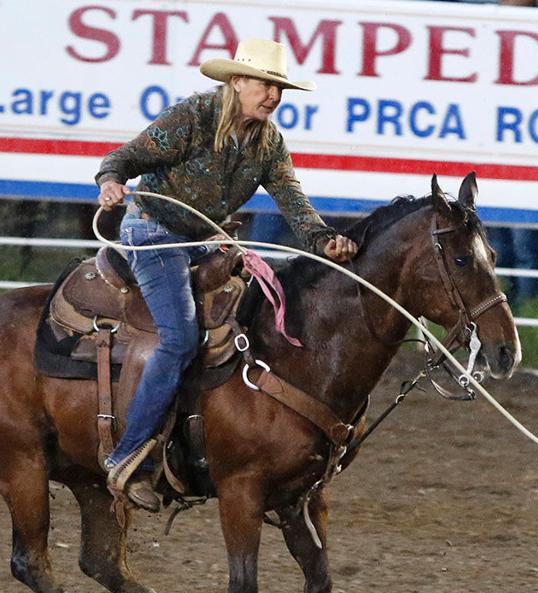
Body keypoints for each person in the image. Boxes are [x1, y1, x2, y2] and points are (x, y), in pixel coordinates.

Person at [95, 38, 358, 510]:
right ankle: (128, 455)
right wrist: (110, 182)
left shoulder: (268, 143)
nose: (273, 96)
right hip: (155, 233)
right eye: (265, 84)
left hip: (206, 242)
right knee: (178, 338)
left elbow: (295, 205)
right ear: (237, 82)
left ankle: (209, 440)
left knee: (247, 326)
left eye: (279, 88)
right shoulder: (192, 118)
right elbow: (124, 159)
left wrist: (324, 241)